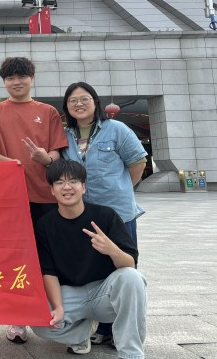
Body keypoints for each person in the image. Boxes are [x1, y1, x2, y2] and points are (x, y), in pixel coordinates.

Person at [0, 57, 68, 345]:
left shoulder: (48, 112)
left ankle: (52, 310)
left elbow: (56, 152)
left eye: (21, 76)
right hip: (9, 198)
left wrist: (45, 158)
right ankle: (17, 318)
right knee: (14, 257)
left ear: (32, 78)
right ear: (3, 82)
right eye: (10, 78)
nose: (16, 82)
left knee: (47, 257)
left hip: (45, 196)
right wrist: (8, 162)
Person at [32, 159, 147, 358]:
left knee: (132, 278)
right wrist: (58, 308)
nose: (67, 187)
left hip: (104, 292)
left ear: (83, 187)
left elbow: (130, 263)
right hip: (70, 294)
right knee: (38, 319)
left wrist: (111, 250)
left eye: (73, 181)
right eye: (59, 182)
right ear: (52, 190)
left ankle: (131, 353)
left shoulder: (106, 216)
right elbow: (48, 271)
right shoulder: (45, 225)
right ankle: (82, 333)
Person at [61, 81, 147, 345]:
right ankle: (100, 326)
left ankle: (119, 332)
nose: (79, 104)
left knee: (122, 268)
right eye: (73, 100)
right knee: (92, 268)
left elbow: (137, 163)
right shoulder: (63, 136)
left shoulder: (117, 129)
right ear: (67, 106)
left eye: (84, 99)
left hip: (117, 213)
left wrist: (121, 189)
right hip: (81, 213)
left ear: (95, 102)